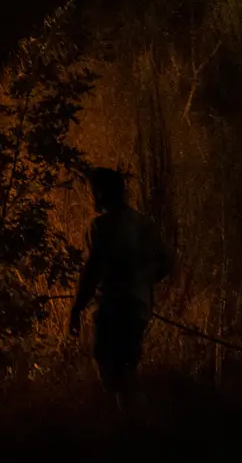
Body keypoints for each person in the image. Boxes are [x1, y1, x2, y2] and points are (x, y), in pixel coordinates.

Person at [70, 166, 173, 415]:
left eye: (92, 191)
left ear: (102, 192)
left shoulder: (101, 226)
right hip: (138, 308)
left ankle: (132, 425)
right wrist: (141, 280)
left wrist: (77, 307)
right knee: (126, 367)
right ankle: (135, 423)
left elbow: (92, 269)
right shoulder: (143, 223)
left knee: (107, 365)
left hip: (112, 308)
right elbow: (165, 263)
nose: (91, 197)